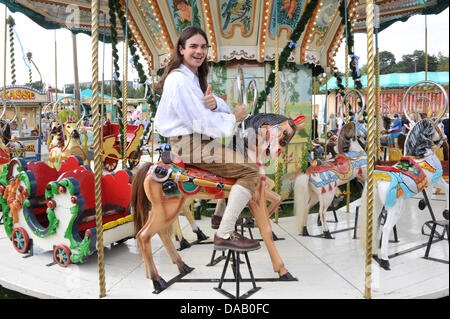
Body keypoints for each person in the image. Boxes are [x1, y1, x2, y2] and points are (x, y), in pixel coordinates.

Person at [154, 26, 260, 252]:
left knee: (240, 160)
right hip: (189, 144)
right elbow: (199, 120)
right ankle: (224, 232)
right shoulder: (179, 80)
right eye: (193, 46)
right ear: (181, 49)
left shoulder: (191, 78)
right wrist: (233, 117)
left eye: (203, 47)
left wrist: (215, 104)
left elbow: (205, 107)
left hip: (197, 141)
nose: (199, 51)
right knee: (251, 170)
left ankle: (220, 214)